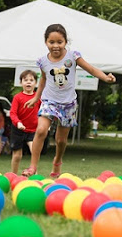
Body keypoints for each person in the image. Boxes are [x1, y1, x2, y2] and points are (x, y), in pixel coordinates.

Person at [22, 24, 116, 177]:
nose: (56, 46)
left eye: (60, 42)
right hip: (49, 101)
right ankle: (33, 167)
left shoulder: (73, 56)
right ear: (46, 42)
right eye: (51, 42)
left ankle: (57, 161)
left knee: (60, 140)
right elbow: (44, 79)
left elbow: (91, 69)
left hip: (68, 104)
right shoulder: (42, 61)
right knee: (40, 131)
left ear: (65, 42)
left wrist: (105, 77)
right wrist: (36, 97)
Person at [10, 70, 41, 174]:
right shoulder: (17, 97)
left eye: (31, 80)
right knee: (18, 155)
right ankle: (14, 175)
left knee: (34, 152)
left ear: (36, 83)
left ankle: (34, 175)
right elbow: (12, 113)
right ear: (21, 83)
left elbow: (43, 112)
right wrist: (18, 122)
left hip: (33, 130)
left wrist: (45, 124)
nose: (28, 82)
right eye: (25, 80)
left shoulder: (39, 98)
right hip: (18, 130)